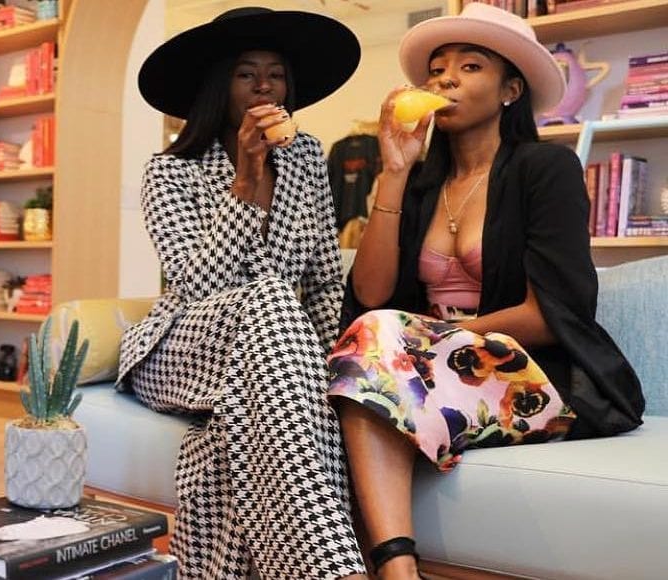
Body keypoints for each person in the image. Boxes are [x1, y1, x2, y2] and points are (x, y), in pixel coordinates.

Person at [326, 5, 645, 579]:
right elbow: (371, 296)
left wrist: (435, 339)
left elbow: (553, 315)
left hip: (530, 373)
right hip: (426, 367)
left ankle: (395, 571)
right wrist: (394, 173)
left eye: (469, 66)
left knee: (373, 355)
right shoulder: (421, 185)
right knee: (338, 376)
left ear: (510, 91)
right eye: (437, 69)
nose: (445, 79)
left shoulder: (546, 168)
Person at [118, 7, 366, 579]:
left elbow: (323, 275)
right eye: (246, 73)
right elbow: (200, 286)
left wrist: (322, 369)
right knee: (272, 298)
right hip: (180, 346)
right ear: (218, 86)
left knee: (266, 415)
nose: (263, 87)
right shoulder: (169, 171)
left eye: (275, 74)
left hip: (273, 353)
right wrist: (247, 180)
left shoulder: (306, 158)